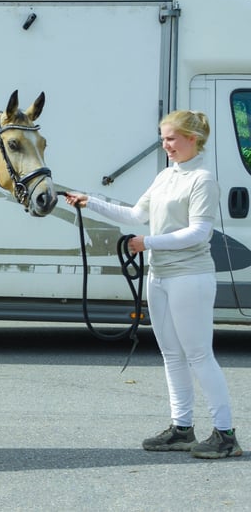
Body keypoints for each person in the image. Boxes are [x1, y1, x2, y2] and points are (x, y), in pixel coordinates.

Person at [65, 110, 242, 459]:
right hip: (159, 276)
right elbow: (136, 215)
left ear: (193, 139)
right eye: (163, 139)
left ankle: (225, 435)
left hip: (190, 276)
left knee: (199, 355)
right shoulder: (165, 176)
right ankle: (182, 428)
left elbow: (199, 232)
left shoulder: (203, 180)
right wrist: (91, 201)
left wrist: (147, 243)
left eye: (171, 138)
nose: (166, 145)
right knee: (172, 354)